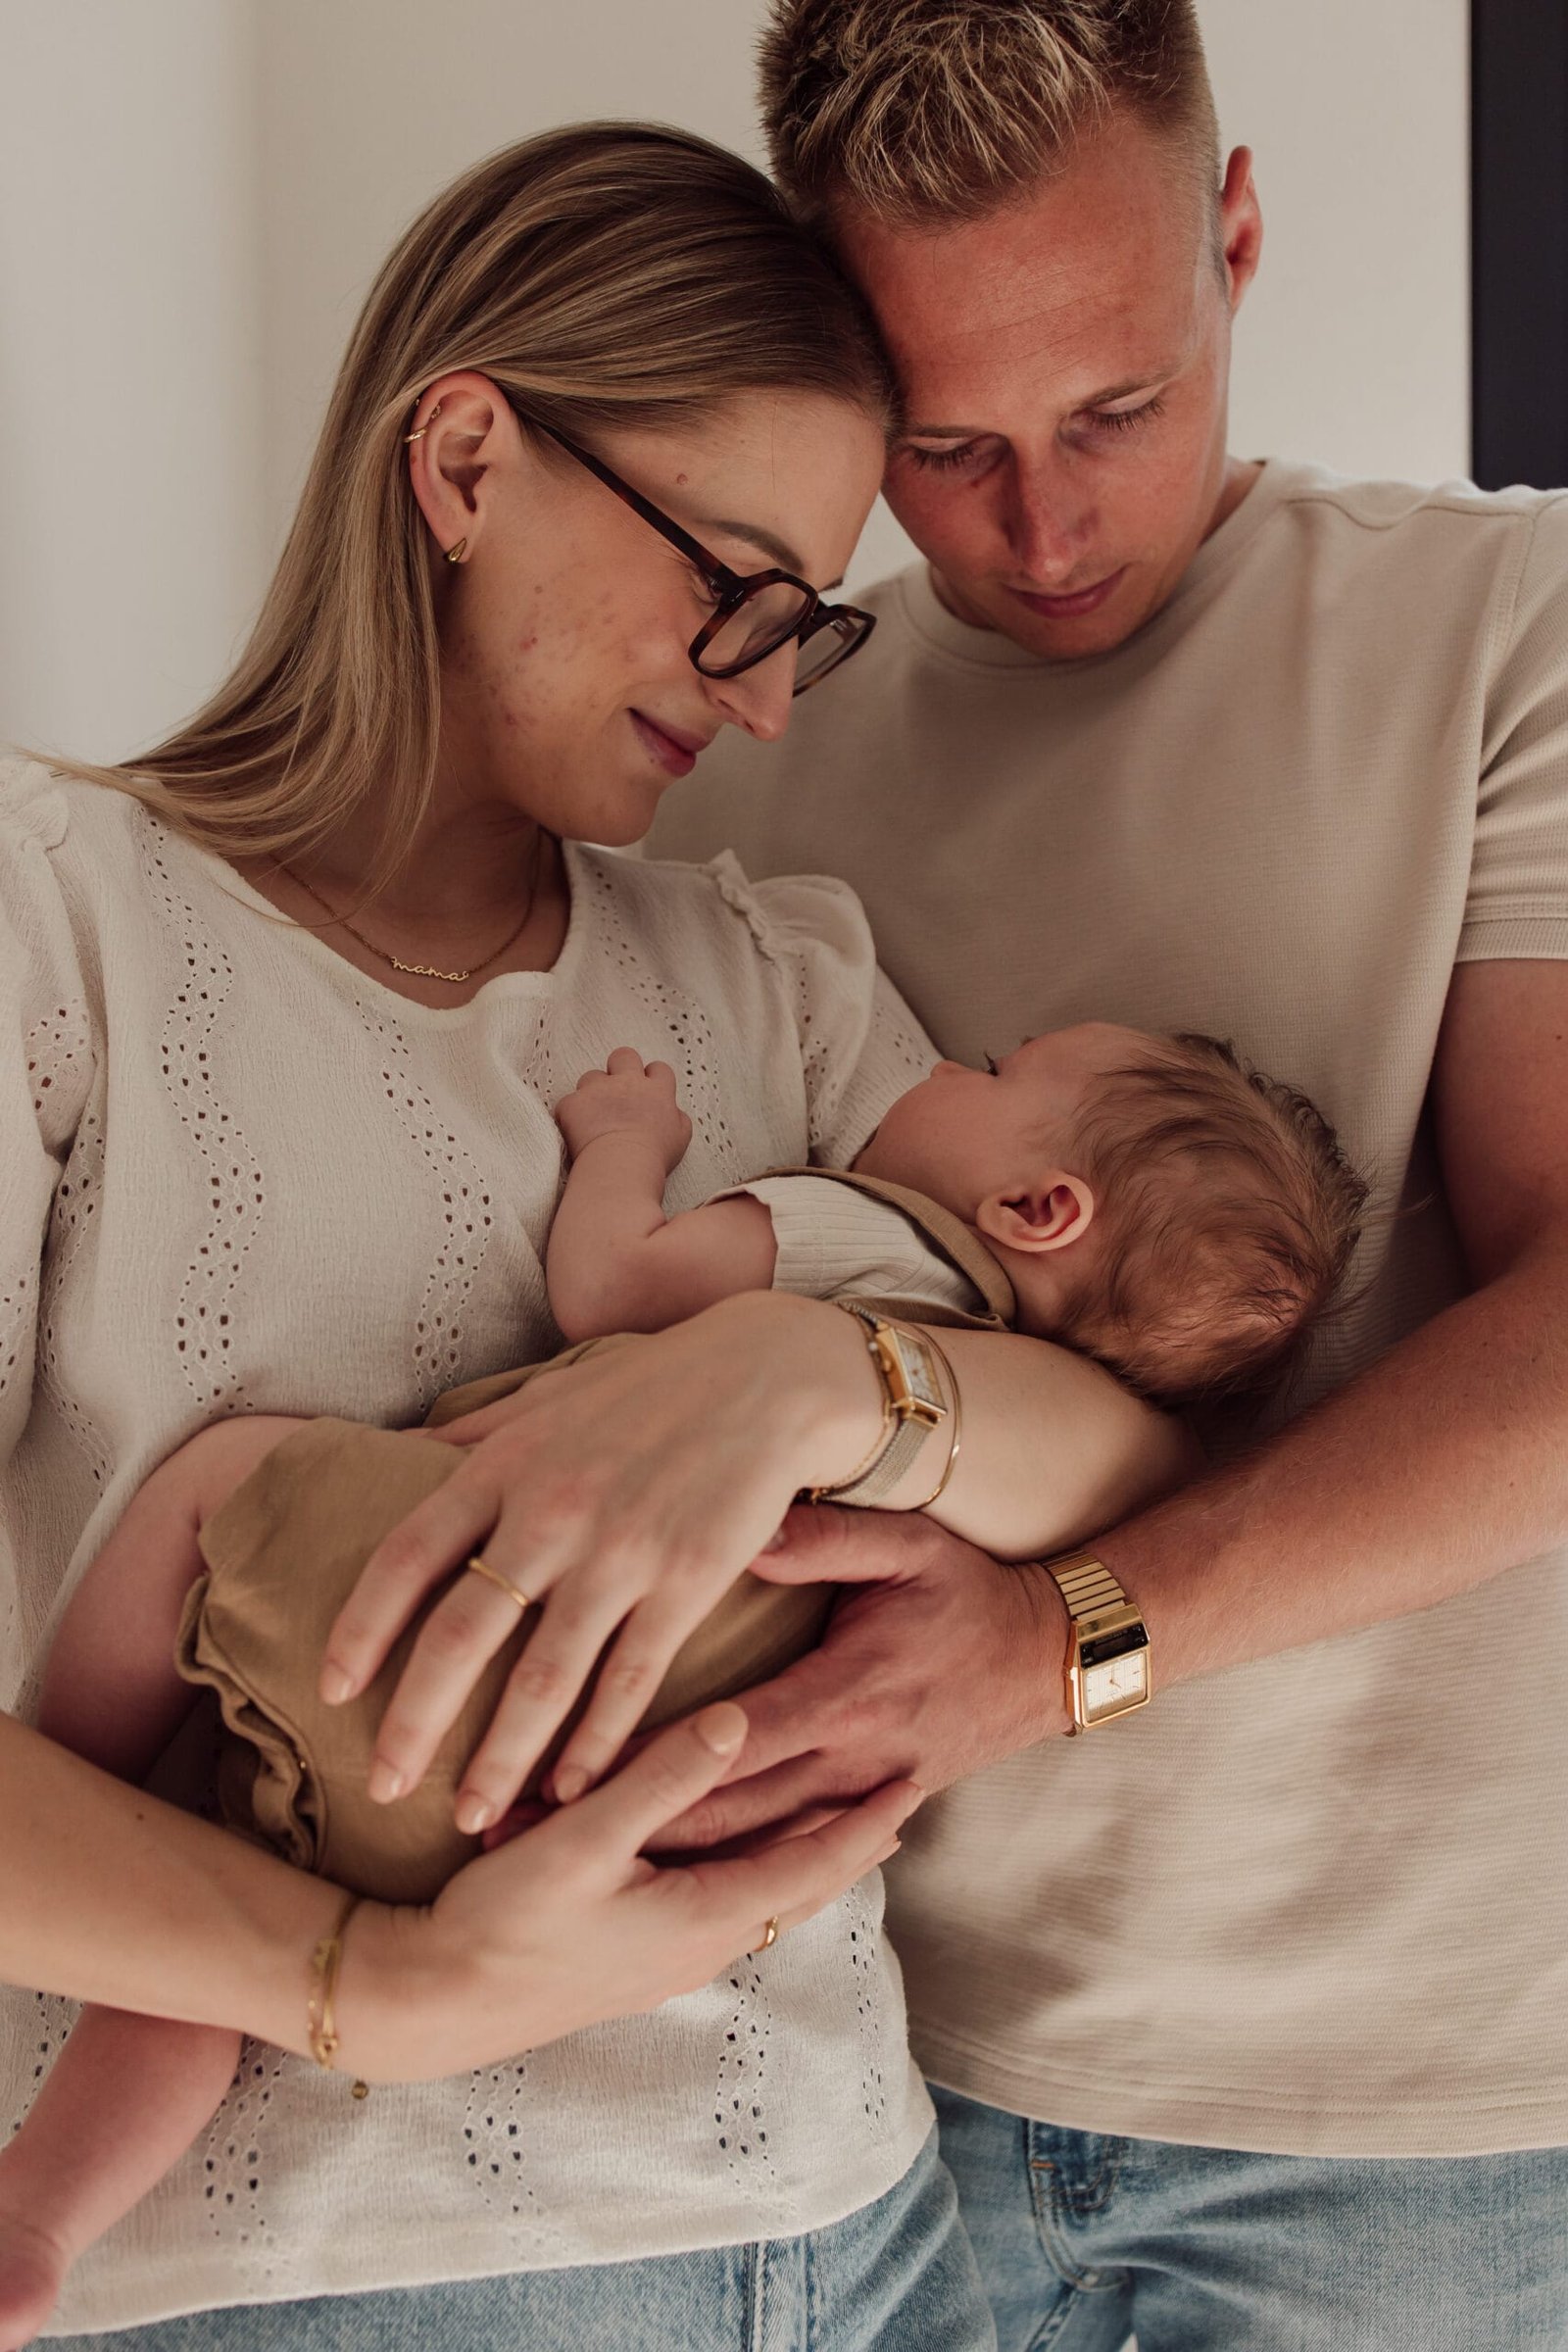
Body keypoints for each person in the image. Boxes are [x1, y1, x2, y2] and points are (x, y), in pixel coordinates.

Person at [0, 112, 1189, 2352]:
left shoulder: (769, 974)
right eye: (731, 586)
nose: (762, 696)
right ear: (464, 461)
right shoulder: (62, 930)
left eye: (804, 623)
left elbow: (1124, 1454)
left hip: (867, 2229)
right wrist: (374, 1982)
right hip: (339, 2279)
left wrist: (823, 1378)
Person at [647, 4, 1568, 2346]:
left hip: (1402, 2126)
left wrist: (1063, 1644)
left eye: (1115, 408)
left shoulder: (1503, 633)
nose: (1037, 528)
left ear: (1233, 235)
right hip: (838, 2084)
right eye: (942, 441)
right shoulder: (730, 737)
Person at [2, 1004, 1361, 2326]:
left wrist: (625, 1145)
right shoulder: (1018, 1450)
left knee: (219, 1499)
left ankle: (73, 1778)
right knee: (241, 1935)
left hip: (453, 1624)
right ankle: (38, 2226)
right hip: (593, 1819)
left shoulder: (875, 1238)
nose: (947, 1062)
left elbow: (613, 1282)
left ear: (1036, 1209)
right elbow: (1151, 1475)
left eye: (996, 1069)